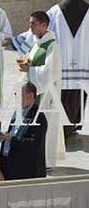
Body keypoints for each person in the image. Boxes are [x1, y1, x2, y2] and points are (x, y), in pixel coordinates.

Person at [11, 0, 89, 136]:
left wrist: (15, 41)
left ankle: (62, 130)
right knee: (77, 96)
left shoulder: (55, 11)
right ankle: (72, 126)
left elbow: (37, 30)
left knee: (60, 96)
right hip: (83, 63)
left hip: (59, 62)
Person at [19, 11, 66, 169]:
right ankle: (33, 159)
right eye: (30, 23)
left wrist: (30, 69)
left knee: (45, 127)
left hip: (46, 96)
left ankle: (46, 161)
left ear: (44, 25)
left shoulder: (52, 47)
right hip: (35, 93)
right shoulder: (37, 44)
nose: (30, 27)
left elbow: (50, 73)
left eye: (33, 24)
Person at [0, 82, 47, 180]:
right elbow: (14, 132)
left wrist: (11, 139)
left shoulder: (38, 117)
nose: (16, 98)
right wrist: (4, 136)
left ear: (30, 96)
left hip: (25, 171)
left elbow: (35, 144)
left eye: (19, 95)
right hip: (9, 166)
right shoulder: (17, 112)